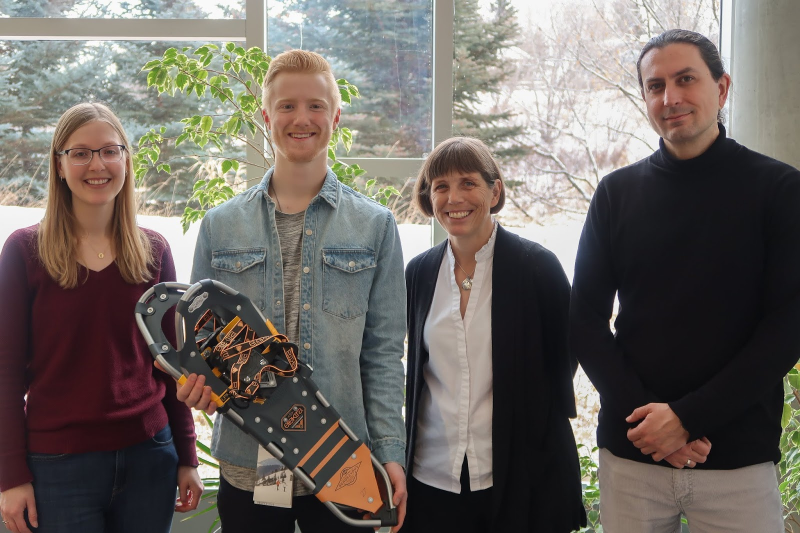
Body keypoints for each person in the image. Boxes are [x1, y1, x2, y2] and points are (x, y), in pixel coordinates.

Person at [570, 29, 800, 532]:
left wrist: (689, 418)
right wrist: (653, 426)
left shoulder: (779, 189)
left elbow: (788, 326)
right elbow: (584, 319)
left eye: (685, 79)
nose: (670, 97)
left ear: (722, 87)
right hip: (634, 455)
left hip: (737, 457)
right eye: (655, 86)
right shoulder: (615, 193)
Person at [176, 50, 408, 532]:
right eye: (286, 106)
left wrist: (390, 452)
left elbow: (384, 354)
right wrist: (199, 386)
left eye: (316, 106)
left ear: (336, 116)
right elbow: (200, 348)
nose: (301, 118)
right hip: (250, 460)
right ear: (266, 116)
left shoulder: (376, 227)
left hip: (344, 461)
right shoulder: (220, 227)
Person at [0, 102, 202, 533]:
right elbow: (6, 374)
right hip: (57, 467)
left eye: (110, 151)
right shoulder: (24, 253)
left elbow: (172, 367)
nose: (98, 164)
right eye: (80, 152)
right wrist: (11, 475)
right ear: (59, 165)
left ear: (126, 160)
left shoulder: (154, 251)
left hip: (150, 455)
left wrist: (187, 456)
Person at [401, 137, 586, 533]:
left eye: (468, 182)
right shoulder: (418, 273)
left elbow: (563, 362)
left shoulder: (538, 268)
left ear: (494, 189)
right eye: (441, 186)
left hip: (520, 476)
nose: (455, 197)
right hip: (432, 477)